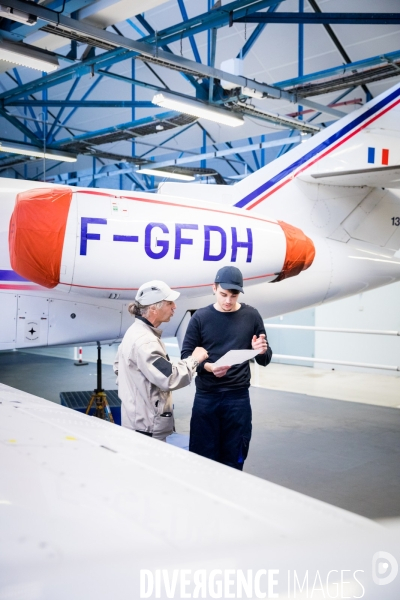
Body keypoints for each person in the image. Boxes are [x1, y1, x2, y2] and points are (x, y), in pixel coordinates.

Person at [181, 266, 272, 469]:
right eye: (223, 294)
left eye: (234, 295)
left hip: (237, 399)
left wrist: (261, 350)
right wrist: (209, 367)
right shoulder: (200, 318)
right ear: (213, 288)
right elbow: (186, 356)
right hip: (207, 398)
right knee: (202, 458)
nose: (228, 301)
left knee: (234, 457)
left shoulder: (252, 316)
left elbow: (265, 359)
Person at [114, 280, 208, 441]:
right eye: (169, 303)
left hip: (136, 421)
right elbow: (170, 377)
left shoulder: (134, 332)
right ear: (153, 309)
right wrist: (194, 360)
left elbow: (118, 367)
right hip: (147, 428)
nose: (174, 307)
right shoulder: (146, 342)